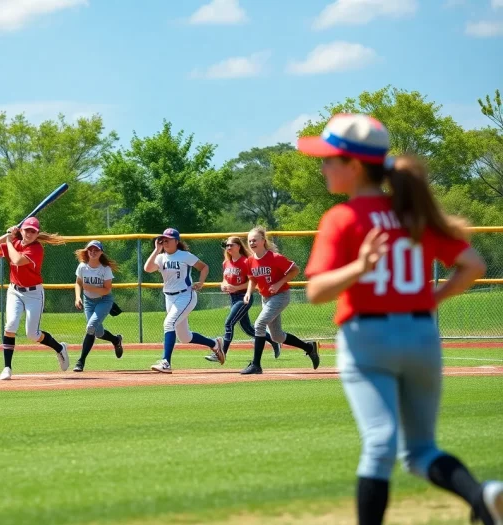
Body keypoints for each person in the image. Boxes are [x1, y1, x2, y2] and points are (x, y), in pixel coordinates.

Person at [299, 113, 502, 525]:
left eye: (330, 158)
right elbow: (473, 264)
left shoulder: (342, 218)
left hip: (368, 337)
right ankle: (482, 497)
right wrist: (433, 298)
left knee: (380, 443)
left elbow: (317, 292)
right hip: (422, 335)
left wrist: (358, 267)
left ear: (354, 165)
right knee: (421, 450)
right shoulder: (413, 213)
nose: (323, 166)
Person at [0, 217, 69, 381]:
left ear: (37, 234)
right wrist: (7, 235)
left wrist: (10, 241)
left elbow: (16, 260)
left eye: (33, 231)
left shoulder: (36, 249)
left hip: (34, 293)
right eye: (27, 230)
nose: (30, 233)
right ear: (21, 230)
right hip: (14, 291)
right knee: (10, 325)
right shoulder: (14, 242)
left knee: (32, 334)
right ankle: (7, 367)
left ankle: (59, 348)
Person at [239, 226, 320, 375]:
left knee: (259, 324)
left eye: (255, 240)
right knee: (277, 336)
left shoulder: (275, 257)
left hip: (281, 296)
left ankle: (256, 365)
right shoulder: (250, 261)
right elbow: (252, 279)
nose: (251, 243)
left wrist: (278, 283)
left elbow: (295, 269)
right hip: (266, 298)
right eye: (249, 241)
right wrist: (248, 293)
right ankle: (309, 348)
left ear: (263, 241)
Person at [143, 228, 224, 373]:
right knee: (185, 337)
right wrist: (156, 250)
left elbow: (204, 267)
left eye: (168, 239)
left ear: (176, 241)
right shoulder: (161, 257)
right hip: (169, 297)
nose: (165, 241)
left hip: (185, 296)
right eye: (163, 239)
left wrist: (201, 282)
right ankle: (215, 343)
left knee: (169, 323)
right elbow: (147, 268)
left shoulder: (185, 255)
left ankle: (166, 362)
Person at [204, 236, 281, 363]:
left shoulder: (246, 262)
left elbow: (254, 282)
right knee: (248, 329)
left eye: (231, 245)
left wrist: (236, 287)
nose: (228, 248)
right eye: (226, 245)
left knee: (229, 323)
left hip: (243, 298)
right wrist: (223, 285)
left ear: (238, 246)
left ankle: (221, 353)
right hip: (233, 298)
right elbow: (225, 279)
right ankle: (273, 340)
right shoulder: (226, 262)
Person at [73, 240, 124, 372]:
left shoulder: (105, 269)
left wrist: (90, 288)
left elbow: (107, 289)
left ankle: (81, 361)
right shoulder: (82, 266)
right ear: (87, 251)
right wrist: (78, 297)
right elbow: (78, 283)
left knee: (91, 327)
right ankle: (115, 340)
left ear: (101, 252)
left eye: (96, 250)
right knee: (98, 332)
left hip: (104, 301)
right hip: (88, 301)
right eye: (91, 250)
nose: (93, 252)